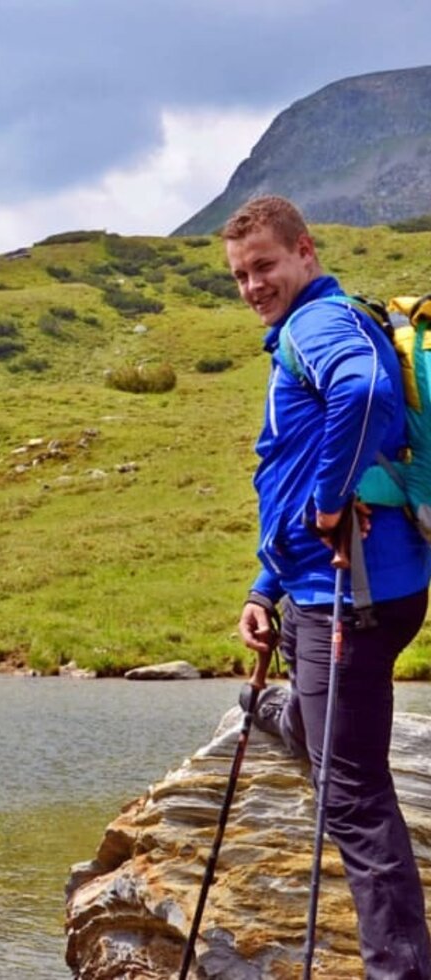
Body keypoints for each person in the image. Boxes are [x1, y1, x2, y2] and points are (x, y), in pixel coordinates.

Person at [225, 194, 431, 978]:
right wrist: (263, 585)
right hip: (326, 588)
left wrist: (333, 500)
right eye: (241, 275)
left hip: (353, 596)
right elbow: (288, 479)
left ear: (304, 251)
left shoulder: (320, 325)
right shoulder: (305, 330)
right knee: (323, 734)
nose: (252, 285)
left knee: (352, 799)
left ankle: (400, 971)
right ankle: (285, 709)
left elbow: (366, 396)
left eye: (265, 266)